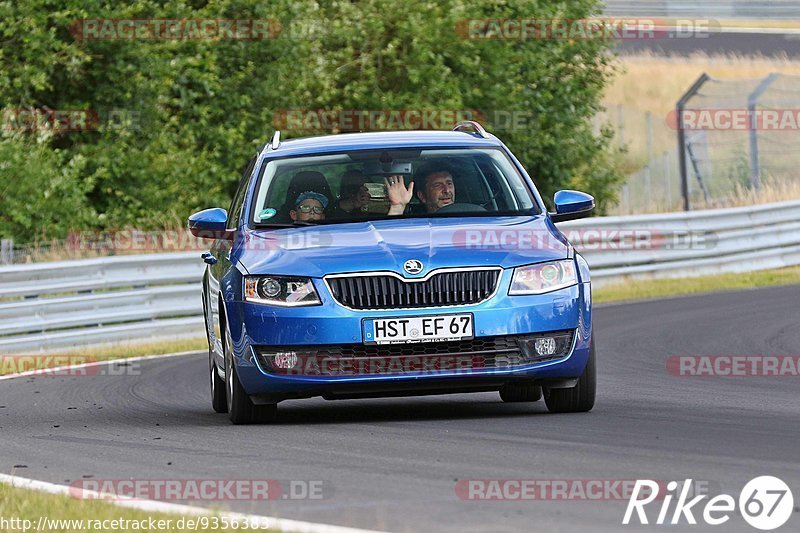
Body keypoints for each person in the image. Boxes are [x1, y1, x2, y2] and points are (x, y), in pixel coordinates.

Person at [385, 166, 456, 215]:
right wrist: (398, 207)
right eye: (437, 185)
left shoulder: (466, 218)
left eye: (449, 183)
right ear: (422, 196)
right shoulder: (415, 224)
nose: (446, 190)